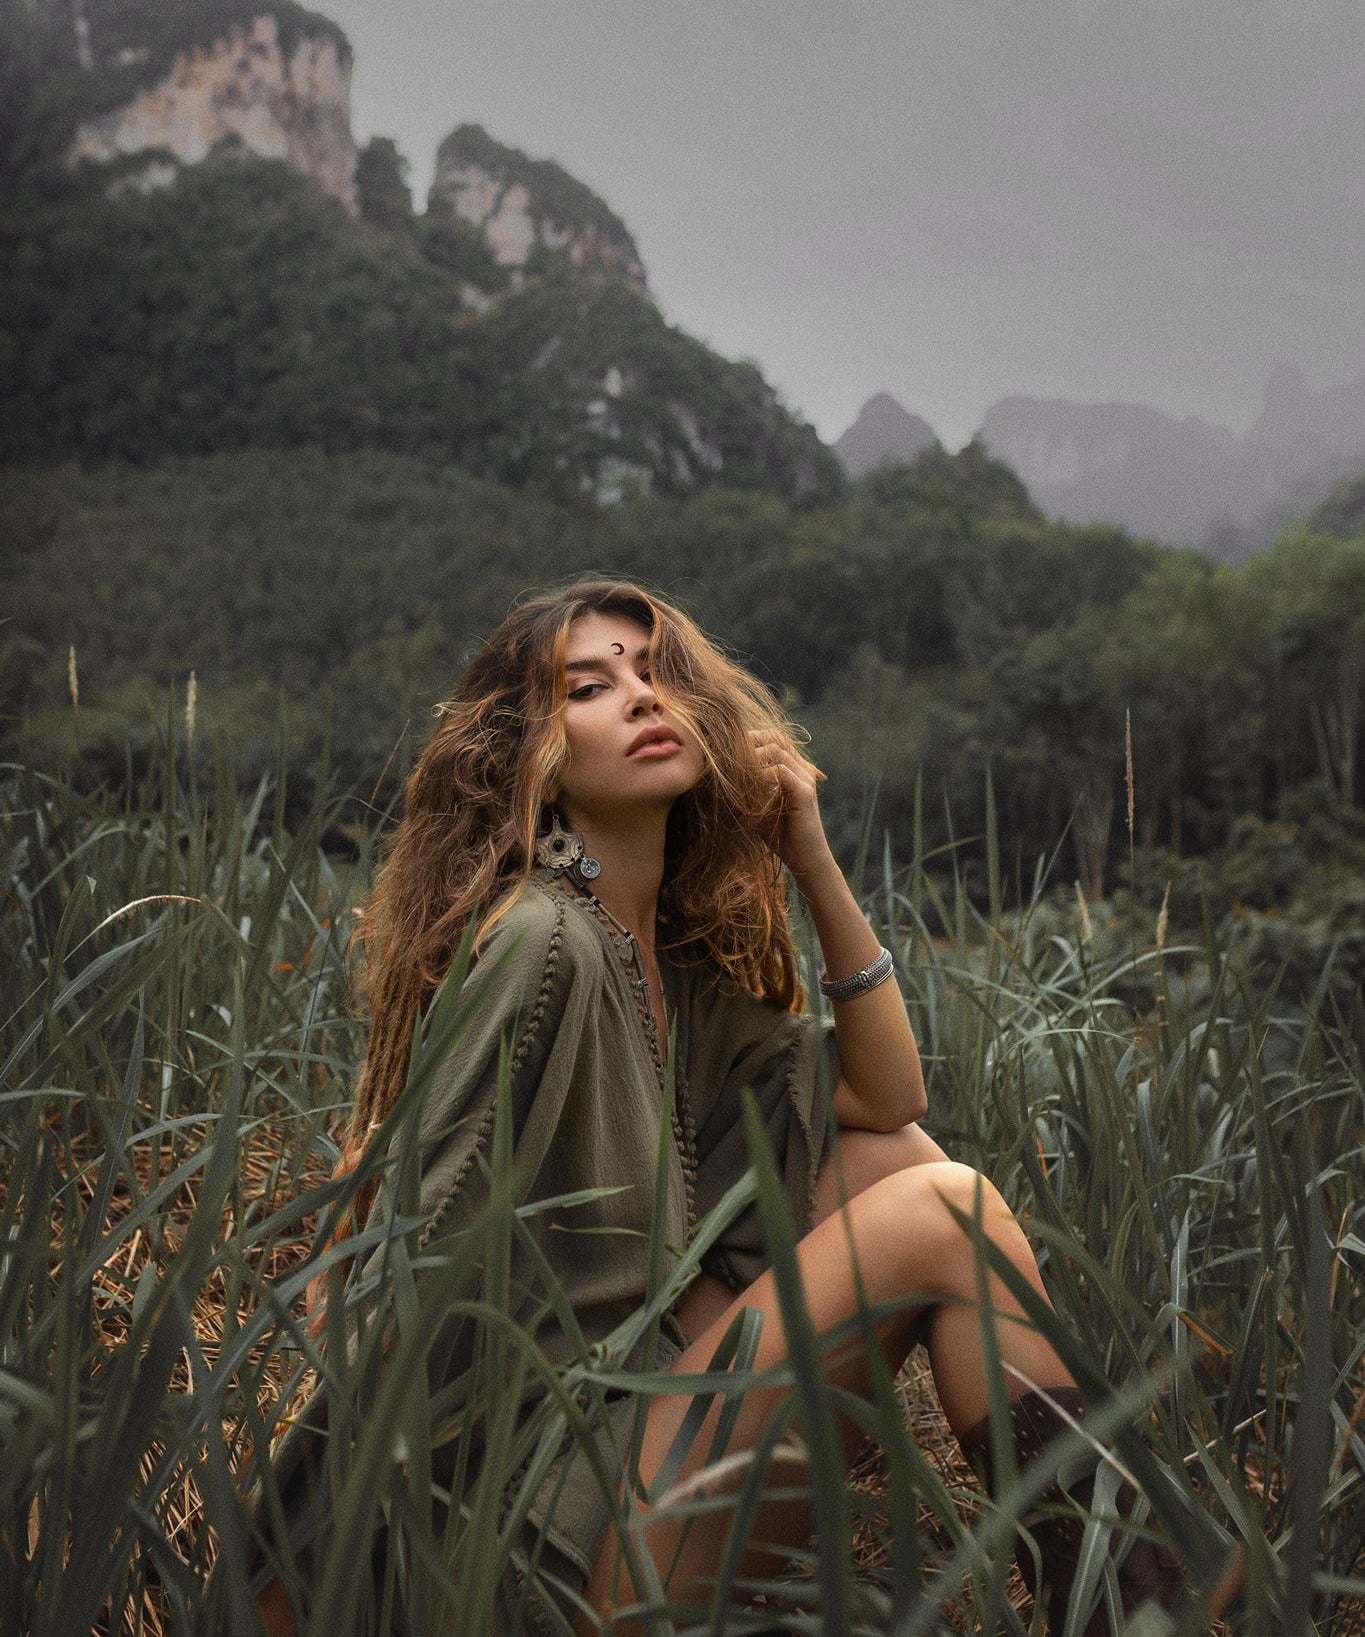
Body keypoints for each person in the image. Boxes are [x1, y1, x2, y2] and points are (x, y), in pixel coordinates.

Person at [256, 579, 1216, 1636]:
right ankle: (1142, 1613)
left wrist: (806, 846)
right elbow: (422, 1246)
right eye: (591, 684)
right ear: (526, 749)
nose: (639, 694)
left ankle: (1128, 1601)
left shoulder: (659, 963)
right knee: (947, 1211)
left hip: (635, 1448)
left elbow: (888, 1096)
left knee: (895, 1162)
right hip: (536, 1532)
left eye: (656, 671)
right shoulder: (542, 941)